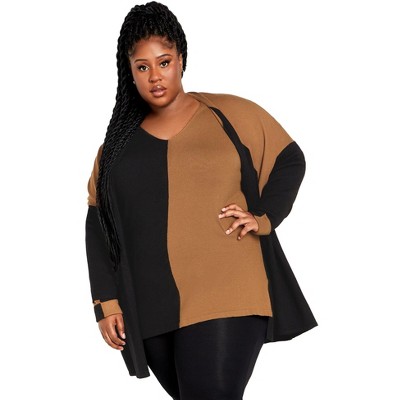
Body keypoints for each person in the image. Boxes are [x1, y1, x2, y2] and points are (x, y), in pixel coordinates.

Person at [85, 2, 317, 399]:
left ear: (181, 59)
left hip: (228, 288)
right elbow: (97, 224)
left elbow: (289, 159)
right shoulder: (116, 147)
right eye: (142, 67)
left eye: (164, 62)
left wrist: (263, 217)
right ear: (129, 72)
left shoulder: (229, 113)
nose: (155, 76)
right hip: (151, 302)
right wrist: (106, 302)